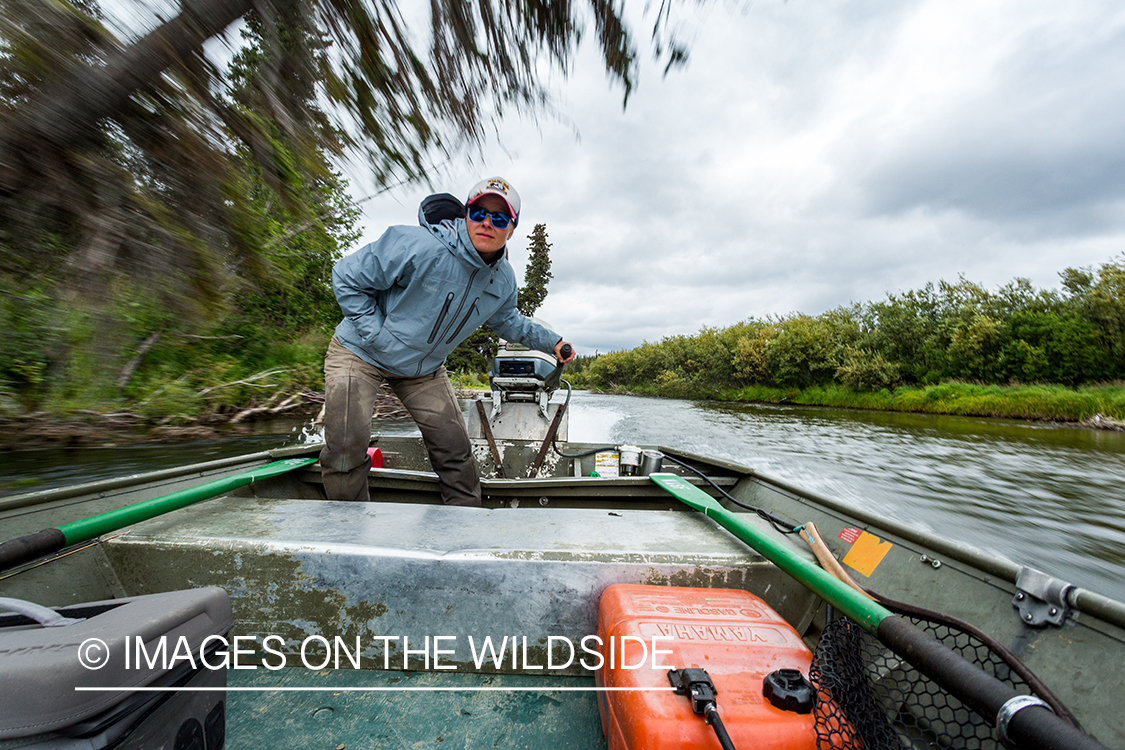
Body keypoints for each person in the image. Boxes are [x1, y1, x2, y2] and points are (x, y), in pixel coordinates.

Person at [320, 176, 575, 505]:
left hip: (421, 370)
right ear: (464, 214)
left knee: (455, 450)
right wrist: (376, 335)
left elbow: (510, 322)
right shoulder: (417, 244)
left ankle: (463, 526)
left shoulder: (503, 280)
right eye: (478, 212)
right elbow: (346, 276)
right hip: (360, 350)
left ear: (511, 229)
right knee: (346, 444)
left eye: (499, 218)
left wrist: (552, 342)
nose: (486, 223)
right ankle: (348, 530)